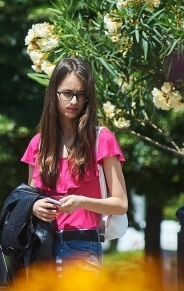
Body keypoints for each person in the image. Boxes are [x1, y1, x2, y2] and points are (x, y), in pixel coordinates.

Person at [21, 57, 128, 273]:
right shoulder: (38, 144)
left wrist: (82, 202)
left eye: (81, 95)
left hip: (82, 247)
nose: (74, 102)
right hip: (42, 247)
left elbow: (121, 203)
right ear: (54, 94)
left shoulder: (102, 139)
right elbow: (28, 199)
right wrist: (34, 206)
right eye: (67, 93)